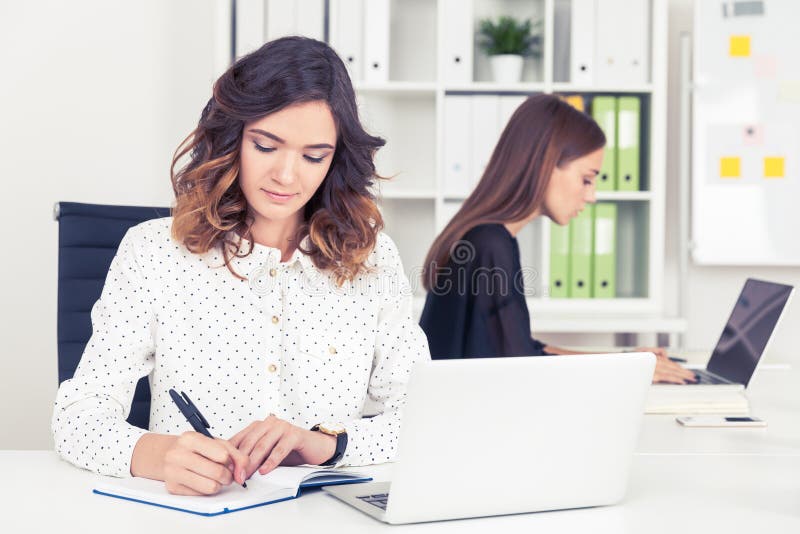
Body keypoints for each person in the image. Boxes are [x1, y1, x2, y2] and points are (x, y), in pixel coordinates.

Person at [52, 36, 429, 496]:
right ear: (232, 138)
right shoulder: (153, 252)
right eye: (266, 146)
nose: (286, 176)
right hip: (196, 517)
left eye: (314, 156)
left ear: (335, 160)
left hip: (324, 517)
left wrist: (327, 445)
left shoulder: (373, 260)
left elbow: (424, 417)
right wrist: (157, 455)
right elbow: (77, 417)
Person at [419, 94, 695, 385]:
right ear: (545, 165)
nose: (592, 196)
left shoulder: (486, 236)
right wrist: (629, 370)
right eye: (586, 179)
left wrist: (629, 361)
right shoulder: (490, 245)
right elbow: (522, 368)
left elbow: (522, 350)